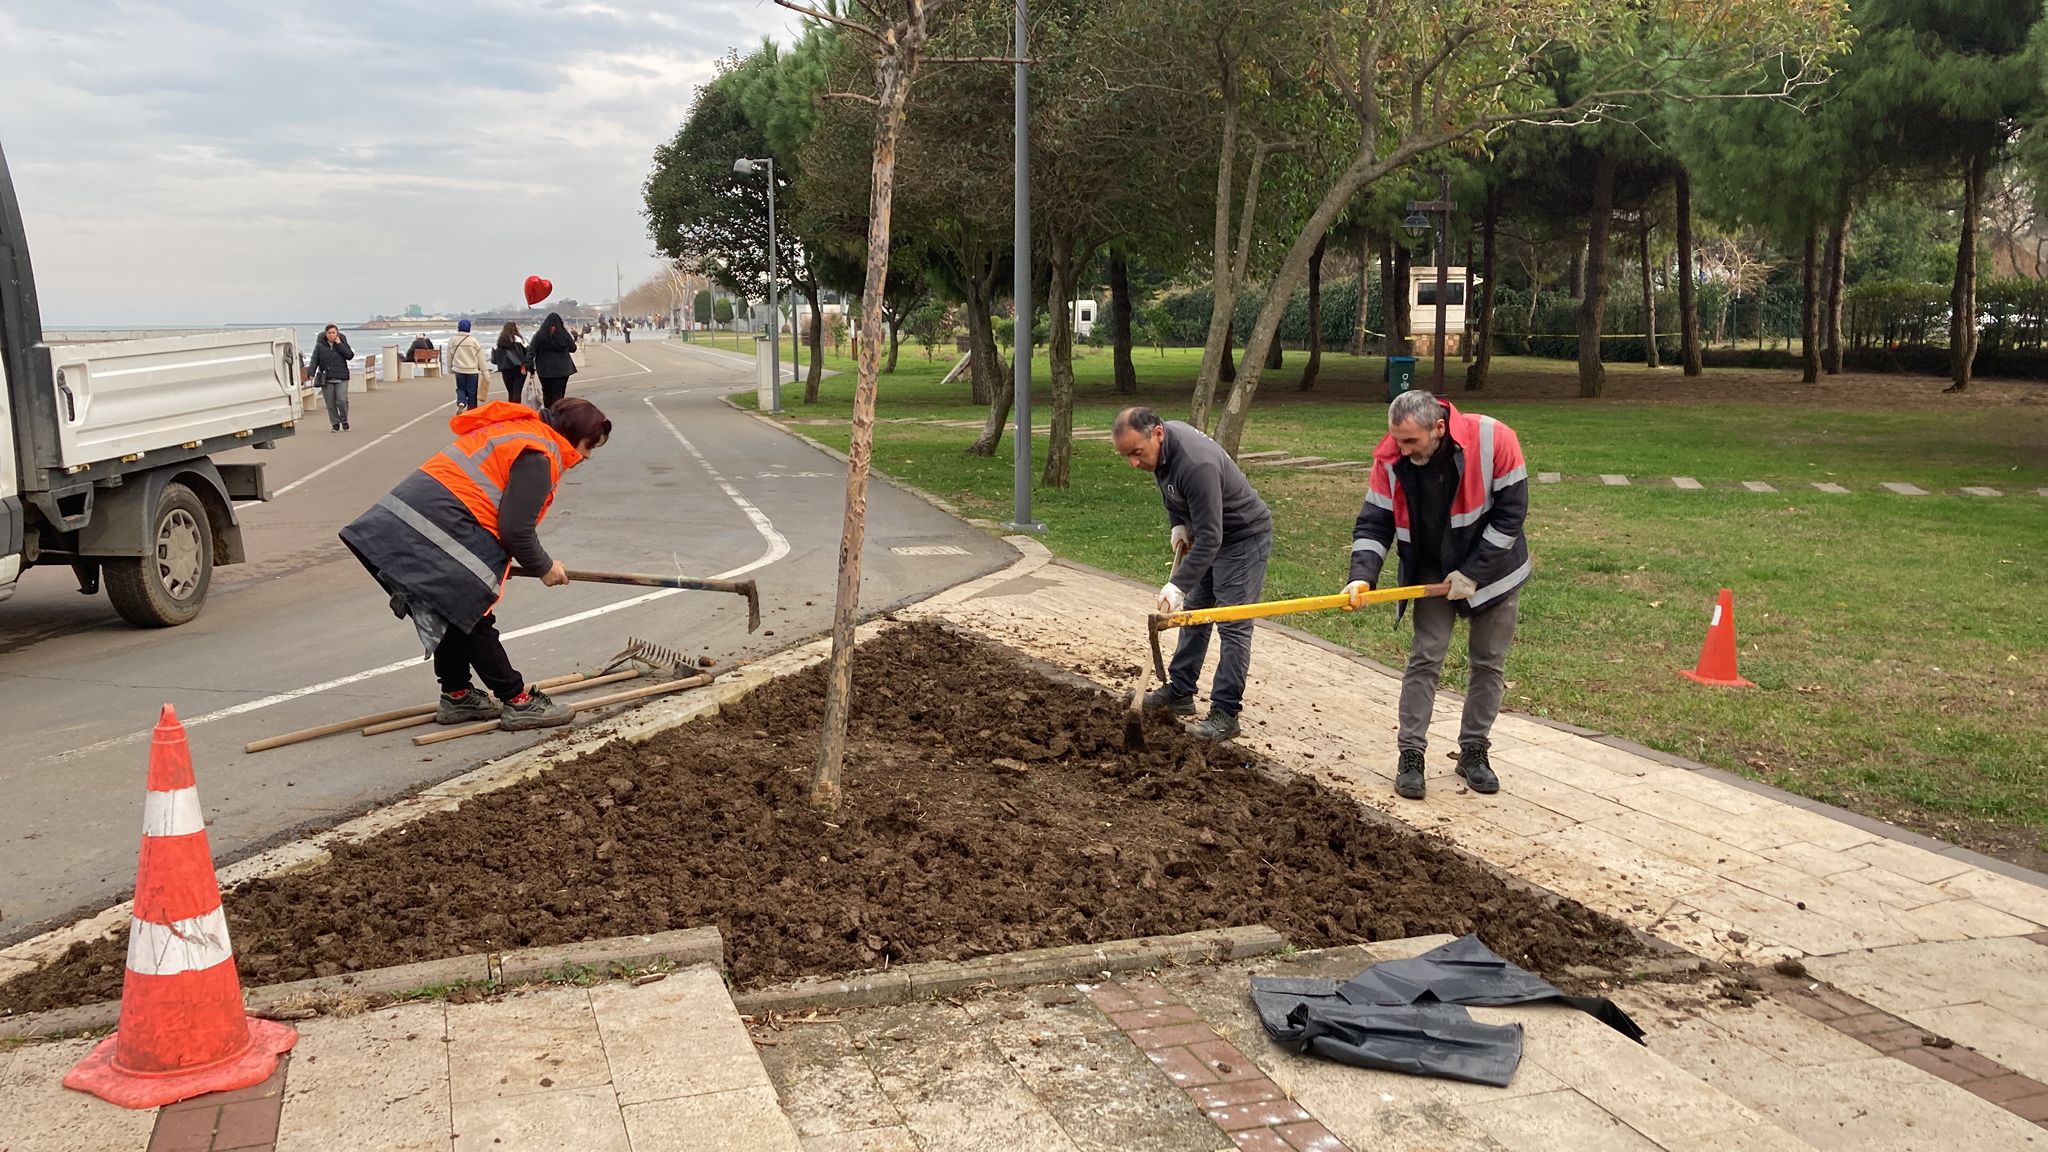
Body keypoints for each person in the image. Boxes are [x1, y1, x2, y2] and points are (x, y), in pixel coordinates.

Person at [339, 397, 613, 730]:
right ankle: (516, 700)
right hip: (428, 529)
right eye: (588, 446)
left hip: (401, 526)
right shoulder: (538, 455)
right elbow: (516, 530)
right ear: (573, 436)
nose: (586, 456)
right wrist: (544, 567)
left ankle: (456, 694)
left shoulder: (518, 431)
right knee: (472, 613)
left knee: (450, 610)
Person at [1344, 390, 1531, 801]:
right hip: (1429, 570)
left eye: (1411, 441)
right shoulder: (1391, 458)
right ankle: (1411, 755)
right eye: (1397, 439)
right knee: (1425, 657)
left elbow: (1511, 515)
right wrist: (1362, 577)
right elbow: (1374, 522)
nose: (1402, 449)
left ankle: (1474, 751)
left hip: (1494, 570)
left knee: (1487, 663)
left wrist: (1473, 574)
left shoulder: (1496, 439)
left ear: (1439, 428)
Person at [1112, 406, 1273, 741]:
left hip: (1242, 538)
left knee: (1233, 625)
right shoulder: (1161, 451)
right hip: (1208, 536)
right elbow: (1173, 495)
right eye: (1127, 456)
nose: (1134, 463)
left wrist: (1177, 584)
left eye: (1137, 453)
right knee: (1195, 616)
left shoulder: (1195, 462)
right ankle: (1181, 692)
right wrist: (1179, 524)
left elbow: (1214, 537)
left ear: (1156, 433)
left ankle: (1226, 714)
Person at [527, 311, 579, 409]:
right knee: (559, 394)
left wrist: (530, 367)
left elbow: (531, 351)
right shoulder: (564, 334)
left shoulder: (539, 335)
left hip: (544, 370)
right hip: (562, 369)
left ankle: (548, 413)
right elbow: (573, 348)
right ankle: (557, 415)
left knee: (547, 393)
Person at [309, 323, 353, 432]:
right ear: (326, 334)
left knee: (342, 400)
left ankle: (344, 420)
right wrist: (311, 371)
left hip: (341, 377)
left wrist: (339, 344)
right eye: (329, 333)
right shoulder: (320, 345)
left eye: (333, 333)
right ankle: (335, 424)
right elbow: (314, 359)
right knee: (330, 403)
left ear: (337, 334)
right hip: (326, 378)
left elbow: (349, 355)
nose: (331, 335)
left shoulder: (342, 342)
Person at [447, 318, 486, 411]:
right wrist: (484, 370)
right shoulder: (473, 341)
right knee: (472, 391)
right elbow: (480, 357)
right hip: (472, 370)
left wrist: (450, 368)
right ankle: (472, 410)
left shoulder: (453, 340)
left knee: (460, 388)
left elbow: (449, 356)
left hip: (459, 369)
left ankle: (461, 401)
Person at [493, 321, 530, 404]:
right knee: (517, 392)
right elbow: (528, 354)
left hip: (505, 370)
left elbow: (494, 359)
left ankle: (511, 410)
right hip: (519, 369)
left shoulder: (500, 342)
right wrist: (529, 367)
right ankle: (516, 410)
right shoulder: (520, 340)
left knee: (511, 392)